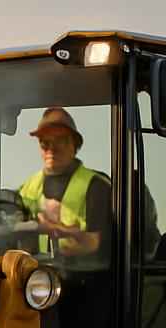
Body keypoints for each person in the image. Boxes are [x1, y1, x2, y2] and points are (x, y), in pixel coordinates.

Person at [17, 107, 112, 259]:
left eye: (59, 140)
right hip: (39, 278)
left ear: (74, 145)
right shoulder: (27, 188)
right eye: (44, 142)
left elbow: (95, 243)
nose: (51, 148)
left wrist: (66, 233)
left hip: (86, 278)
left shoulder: (97, 186)